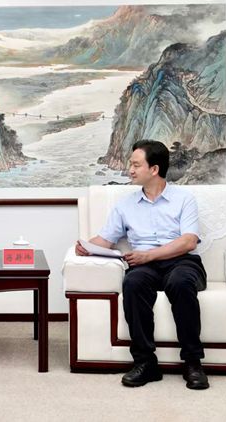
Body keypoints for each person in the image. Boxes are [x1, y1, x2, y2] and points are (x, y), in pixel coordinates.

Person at [75, 139, 209, 390]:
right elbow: (105, 239)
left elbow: (189, 241)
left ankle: (193, 362)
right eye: (131, 165)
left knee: (180, 283)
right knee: (133, 282)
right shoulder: (125, 205)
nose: (130, 170)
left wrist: (150, 255)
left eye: (136, 165)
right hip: (144, 267)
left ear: (154, 169)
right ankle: (146, 363)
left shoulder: (184, 199)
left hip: (180, 261)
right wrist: (85, 246)